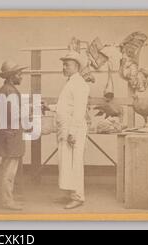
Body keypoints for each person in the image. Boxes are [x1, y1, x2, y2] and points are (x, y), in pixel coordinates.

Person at [56, 51, 91, 209]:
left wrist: (72, 132)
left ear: (76, 66)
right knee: (67, 163)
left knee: (75, 163)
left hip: (74, 130)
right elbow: (65, 106)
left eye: (67, 64)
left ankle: (78, 197)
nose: (64, 67)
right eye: (63, 64)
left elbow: (78, 111)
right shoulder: (70, 83)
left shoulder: (80, 84)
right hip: (66, 128)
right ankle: (71, 194)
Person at [0, 60, 27, 211]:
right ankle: (7, 201)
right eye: (19, 74)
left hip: (7, 133)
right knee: (9, 170)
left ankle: (6, 198)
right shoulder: (10, 91)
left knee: (7, 167)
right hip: (12, 134)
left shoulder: (5, 89)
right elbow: (15, 115)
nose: (21, 76)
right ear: (11, 76)